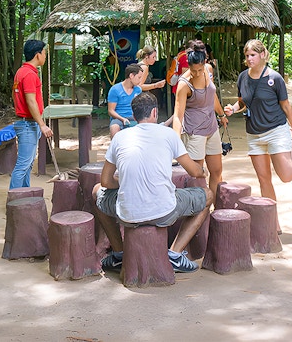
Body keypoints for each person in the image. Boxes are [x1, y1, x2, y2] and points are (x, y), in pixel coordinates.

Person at [92, 92, 213, 273]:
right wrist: (203, 170)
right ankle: (175, 254)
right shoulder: (169, 134)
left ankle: (119, 253)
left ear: (133, 115)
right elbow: (194, 172)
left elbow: (105, 181)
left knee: (96, 191)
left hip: (127, 214)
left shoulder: (119, 137)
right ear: (155, 112)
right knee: (208, 195)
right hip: (165, 212)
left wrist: (124, 183)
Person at [224, 39, 292, 233]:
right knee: (264, 180)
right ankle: (273, 223)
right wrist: (232, 108)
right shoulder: (242, 78)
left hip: (276, 130)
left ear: (262, 54)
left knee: (287, 176)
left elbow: (286, 106)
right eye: (247, 56)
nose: (249, 59)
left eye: (253, 55)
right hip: (254, 135)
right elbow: (242, 102)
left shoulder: (275, 78)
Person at [172, 42, 228, 203]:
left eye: (199, 70)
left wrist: (221, 114)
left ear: (205, 64)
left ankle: (215, 209)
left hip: (211, 128)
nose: (196, 73)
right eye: (193, 70)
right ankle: (199, 212)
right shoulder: (184, 83)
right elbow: (178, 114)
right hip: (194, 132)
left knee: (216, 171)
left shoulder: (208, 71)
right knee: (198, 175)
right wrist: (176, 139)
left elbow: (213, 96)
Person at [9, 39, 53, 189]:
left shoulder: (21, 72)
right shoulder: (29, 74)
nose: (45, 56)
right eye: (44, 53)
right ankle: (14, 200)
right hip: (28, 124)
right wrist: (42, 125)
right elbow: (31, 101)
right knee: (23, 166)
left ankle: (25, 195)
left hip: (26, 123)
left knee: (27, 165)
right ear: (37, 55)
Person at [107, 63, 144, 138]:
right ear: (131, 76)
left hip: (134, 117)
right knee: (114, 128)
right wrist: (122, 119)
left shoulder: (138, 90)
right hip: (118, 118)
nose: (140, 81)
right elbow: (111, 110)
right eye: (139, 77)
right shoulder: (115, 89)